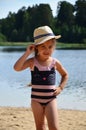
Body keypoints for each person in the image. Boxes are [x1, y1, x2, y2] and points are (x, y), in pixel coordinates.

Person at [14, 25, 68, 130]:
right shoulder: (32, 61)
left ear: (54, 46)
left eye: (50, 47)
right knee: (40, 127)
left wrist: (61, 87)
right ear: (36, 47)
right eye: (43, 47)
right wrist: (27, 53)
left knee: (54, 127)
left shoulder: (54, 62)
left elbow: (65, 75)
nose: (47, 50)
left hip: (51, 99)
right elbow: (17, 68)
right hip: (36, 100)